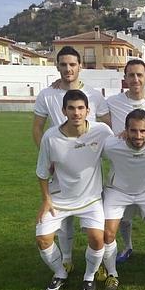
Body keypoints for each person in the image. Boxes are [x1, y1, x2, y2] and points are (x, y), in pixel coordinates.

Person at [32, 46, 110, 274]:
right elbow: (37, 128)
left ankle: (98, 264)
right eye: (63, 64)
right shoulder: (48, 94)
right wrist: (50, 158)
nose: (68, 69)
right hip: (59, 160)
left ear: (80, 66)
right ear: (57, 67)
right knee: (63, 218)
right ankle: (66, 259)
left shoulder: (94, 94)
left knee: (94, 217)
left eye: (72, 64)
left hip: (87, 161)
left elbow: (107, 125)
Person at [35, 90, 113, 290]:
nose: (76, 113)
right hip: (58, 199)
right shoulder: (50, 136)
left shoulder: (102, 131)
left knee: (97, 239)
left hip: (91, 199)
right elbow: (42, 172)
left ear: (88, 110)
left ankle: (89, 277)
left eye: (80, 108)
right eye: (71, 108)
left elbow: (118, 150)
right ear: (63, 111)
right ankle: (60, 273)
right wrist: (46, 200)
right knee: (43, 239)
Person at [100, 109, 145, 290]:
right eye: (133, 131)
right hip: (117, 192)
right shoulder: (111, 144)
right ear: (125, 130)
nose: (138, 136)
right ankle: (112, 274)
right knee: (108, 234)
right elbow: (87, 153)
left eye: (142, 131)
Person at [105, 59, 145, 265]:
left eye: (139, 75)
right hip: (122, 166)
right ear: (124, 78)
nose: (135, 79)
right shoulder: (113, 102)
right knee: (123, 216)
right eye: (131, 75)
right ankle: (127, 246)